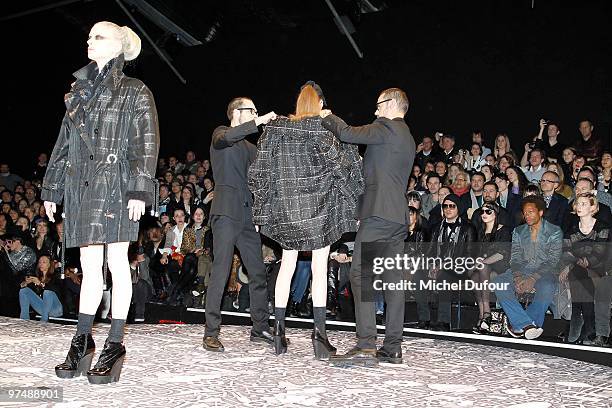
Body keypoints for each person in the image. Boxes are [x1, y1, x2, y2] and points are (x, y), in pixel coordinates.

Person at [42, 21, 159, 384]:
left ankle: (114, 342)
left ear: (118, 46)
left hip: (117, 186)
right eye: (90, 36)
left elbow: (147, 141)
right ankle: (81, 341)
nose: (89, 40)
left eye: (99, 36)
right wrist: (52, 187)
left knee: (117, 264)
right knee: (91, 267)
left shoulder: (135, 90)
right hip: (82, 188)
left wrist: (140, 189)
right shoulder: (78, 91)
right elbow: (64, 142)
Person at [249, 82, 363, 359]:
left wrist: (260, 211)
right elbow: (346, 166)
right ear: (321, 104)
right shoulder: (324, 131)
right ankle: (319, 335)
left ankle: (278, 331)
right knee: (319, 267)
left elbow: (259, 174)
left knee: (287, 265)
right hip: (319, 212)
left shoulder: (274, 131)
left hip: (286, 213)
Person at [321, 87, 415, 365]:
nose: (374, 111)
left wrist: (328, 116)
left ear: (391, 105)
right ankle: (393, 347)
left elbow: (348, 132)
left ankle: (365, 345)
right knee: (392, 282)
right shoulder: (406, 136)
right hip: (397, 217)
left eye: (378, 105)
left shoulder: (385, 127)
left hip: (379, 216)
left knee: (360, 276)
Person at [202, 96, 277, 353]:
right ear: (236, 112)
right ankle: (211, 332)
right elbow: (227, 138)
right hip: (225, 213)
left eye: (256, 111)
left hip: (247, 216)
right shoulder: (221, 134)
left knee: (257, 272)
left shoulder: (249, 147)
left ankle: (259, 328)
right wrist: (259, 120)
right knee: (221, 272)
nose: (255, 113)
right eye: (252, 110)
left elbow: (264, 171)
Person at [493, 196, 562, 340]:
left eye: (531, 212)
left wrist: (532, 278)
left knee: (547, 286)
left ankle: (521, 325)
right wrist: (518, 277)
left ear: (540, 212)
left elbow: (552, 261)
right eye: (525, 213)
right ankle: (527, 325)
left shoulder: (554, 231)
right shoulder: (519, 231)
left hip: (544, 271)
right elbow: (515, 257)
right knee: (499, 281)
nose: (527, 216)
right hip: (522, 270)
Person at [560, 193, 610, 345]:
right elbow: (566, 252)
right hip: (579, 270)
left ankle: (578, 320)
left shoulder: (602, 227)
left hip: (600, 269)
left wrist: (575, 263)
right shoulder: (572, 228)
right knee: (578, 274)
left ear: (593, 207)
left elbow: (599, 255)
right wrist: (571, 264)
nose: (579, 207)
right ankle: (588, 326)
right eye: (577, 204)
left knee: (577, 274)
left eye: (583, 204)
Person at [471, 203, 511, 334]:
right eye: (482, 211)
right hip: (483, 268)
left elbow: (501, 254)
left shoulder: (504, 230)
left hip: (499, 267)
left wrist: (481, 262)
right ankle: (483, 316)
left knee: (482, 268)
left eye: (488, 211)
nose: (484, 214)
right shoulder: (480, 232)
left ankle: (486, 312)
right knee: (475, 277)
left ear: (495, 213)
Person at [19, 255, 64, 321]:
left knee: (47, 292)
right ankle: (24, 320)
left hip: (56, 309)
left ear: (49, 265)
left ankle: (44, 321)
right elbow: (26, 290)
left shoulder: (56, 276)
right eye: (40, 262)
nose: (41, 264)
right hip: (42, 308)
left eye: (44, 262)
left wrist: (40, 283)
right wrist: (25, 283)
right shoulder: (37, 277)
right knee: (24, 291)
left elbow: (56, 290)